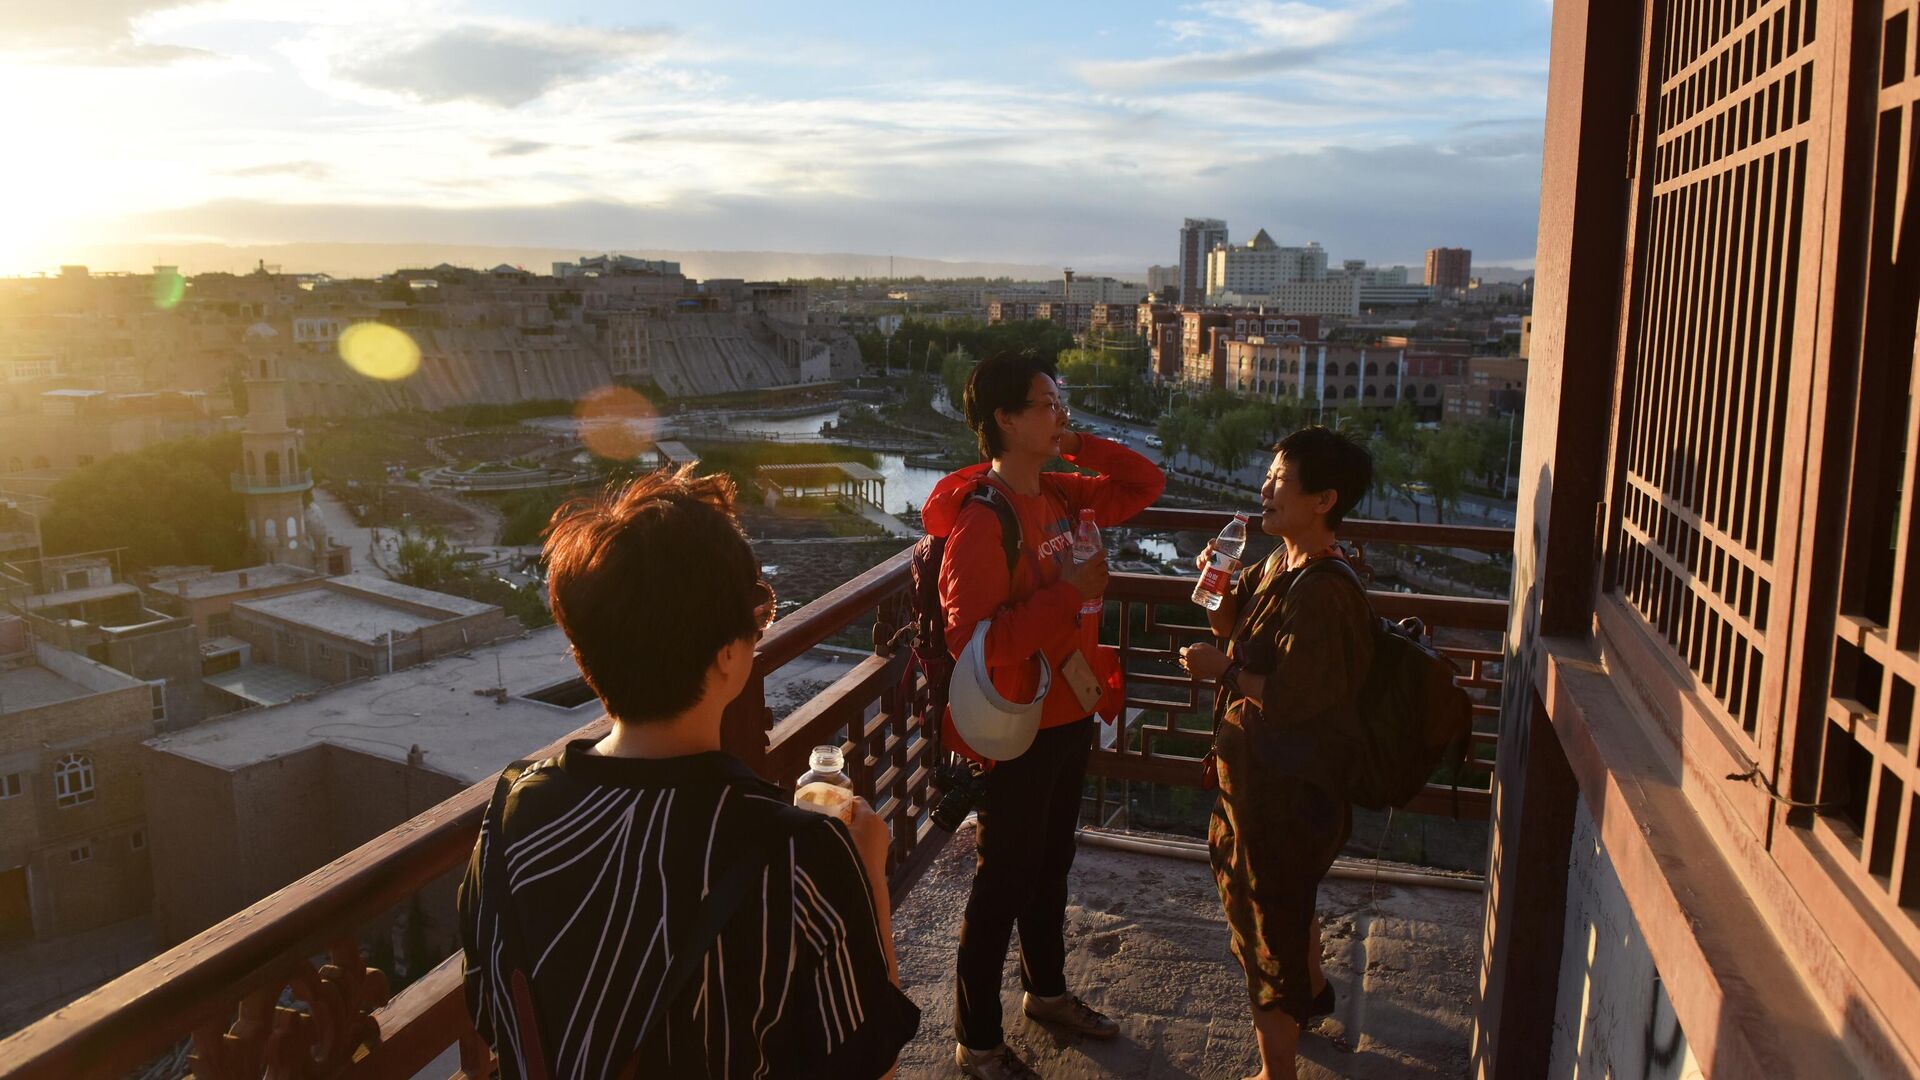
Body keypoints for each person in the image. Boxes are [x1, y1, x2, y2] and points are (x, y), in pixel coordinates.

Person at [457, 466, 919, 1079]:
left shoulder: (512, 816)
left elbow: (495, 1014)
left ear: (581, 653)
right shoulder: (800, 857)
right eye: (759, 613)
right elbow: (869, 1067)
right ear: (730, 656)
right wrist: (868, 879)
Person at [922, 351, 1166, 1079]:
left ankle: (1047, 991)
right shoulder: (982, 521)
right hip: (1018, 723)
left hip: (1071, 708)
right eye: (1047, 404)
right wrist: (1066, 592)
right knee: (1003, 879)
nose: (1061, 413)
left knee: (1052, 864)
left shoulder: (1061, 493)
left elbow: (1146, 483)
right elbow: (980, 646)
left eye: (1061, 402)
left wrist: (1078, 444)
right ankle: (977, 1037)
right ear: (1004, 418)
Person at [1177, 427, 1375, 1080]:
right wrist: (1220, 590)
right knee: (1284, 906)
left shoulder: (1324, 590)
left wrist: (1221, 672)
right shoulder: (1276, 566)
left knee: (1267, 933)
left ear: (1323, 499)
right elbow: (1232, 629)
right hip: (1254, 784)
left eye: (1280, 479)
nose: (1264, 488)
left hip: (1288, 796)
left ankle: (1276, 1071)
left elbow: (1292, 698)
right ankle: (1312, 993)